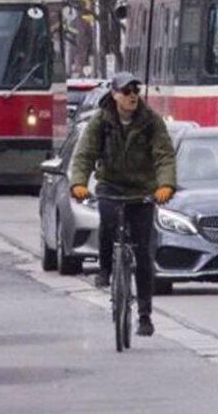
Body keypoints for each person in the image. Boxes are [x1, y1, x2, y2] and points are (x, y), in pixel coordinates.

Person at [69, 71, 177, 338]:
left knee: (143, 253)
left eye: (135, 91)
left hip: (142, 190)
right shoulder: (101, 121)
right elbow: (84, 155)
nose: (132, 96)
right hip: (110, 186)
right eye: (126, 91)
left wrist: (165, 185)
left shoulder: (151, 121)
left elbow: (164, 155)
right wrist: (79, 183)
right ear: (114, 94)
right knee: (106, 221)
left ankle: (144, 315)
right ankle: (105, 268)